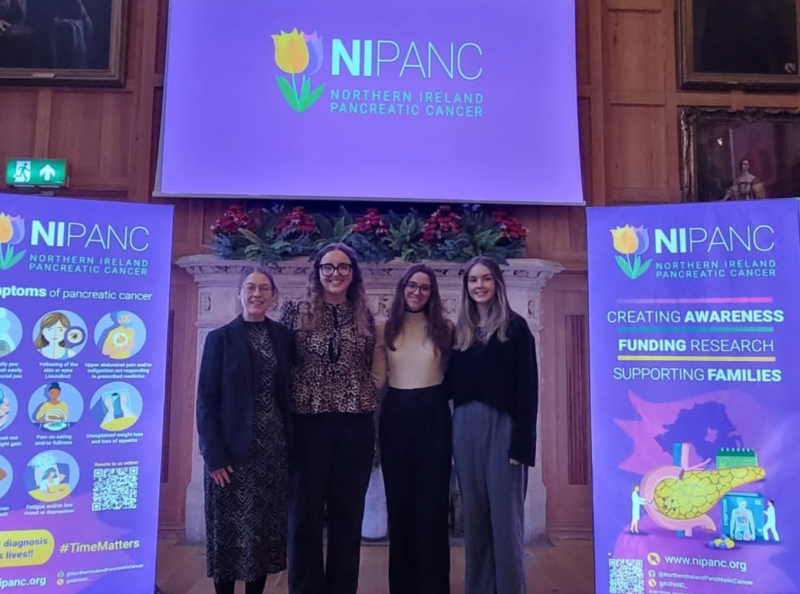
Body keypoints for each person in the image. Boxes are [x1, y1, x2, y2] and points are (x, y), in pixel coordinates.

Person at [279, 243, 378, 594]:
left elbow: (372, 366)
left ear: (353, 273)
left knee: (347, 517)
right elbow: (282, 367)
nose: (335, 274)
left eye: (343, 267)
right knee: (304, 516)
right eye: (328, 267)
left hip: (355, 426)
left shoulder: (365, 315)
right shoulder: (294, 312)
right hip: (308, 424)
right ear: (317, 272)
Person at [196, 265, 295, 594]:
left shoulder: (283, 337)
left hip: (273, 453)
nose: (257, 294)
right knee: (229, 535)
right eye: (250, 287)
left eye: (264, 288)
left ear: (273, 295)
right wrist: (213, 455)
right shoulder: (219, 339)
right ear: (239, 293)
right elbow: (206, 400)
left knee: (261, 537)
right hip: (230, 455)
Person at [445, 255, 538, 594]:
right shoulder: (461, 332)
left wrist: (522, 446)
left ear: (497, 283)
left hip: (504, 430)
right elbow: (449, 385)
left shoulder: (516, 328)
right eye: (473, 280)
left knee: (505, 521)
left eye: (485, 278)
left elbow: (528, 390)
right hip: (464, 428)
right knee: (475, 521)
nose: (479, 285)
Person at [373, 264, 453, 594]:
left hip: (434, 415)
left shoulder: (445, 329)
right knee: (400, 505)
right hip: (396, 415)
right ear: (402, 288)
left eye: (424, 287)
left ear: (432, 293)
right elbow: (378, 379)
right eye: (411, 285)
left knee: (432, 507)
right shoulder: (385, 328)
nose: (417, 292)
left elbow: (453, 376)